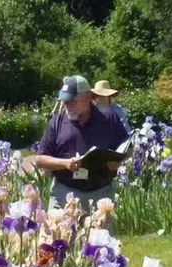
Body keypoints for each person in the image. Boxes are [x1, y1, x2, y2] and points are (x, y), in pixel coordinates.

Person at [33, 75, 129, 212]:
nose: (67, 105)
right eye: (65, 101)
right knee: (61, 234)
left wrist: (117, 162)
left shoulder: (108, 119)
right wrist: (65, 163)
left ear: (88, 97)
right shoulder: (57, 122)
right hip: (64, 194)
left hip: (101, 195)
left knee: (101, 234)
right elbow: (40, 159)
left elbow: (126, 147)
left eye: (72, 101)